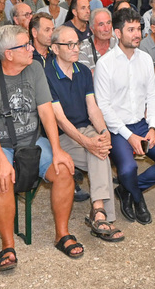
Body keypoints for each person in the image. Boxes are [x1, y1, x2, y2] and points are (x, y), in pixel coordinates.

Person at [0, 25, 80, 266]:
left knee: (63, 171)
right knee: (1, 180)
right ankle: (7, 246)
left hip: (31, 140)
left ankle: (62, 234)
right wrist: (0, 160)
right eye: (25, 45)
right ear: (8, 53)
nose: (32, 48)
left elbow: (46, 111)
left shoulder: (35, 69)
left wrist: (58, 149)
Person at [94, 8, 155, 225]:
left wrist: (152, 126)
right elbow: (103, 107)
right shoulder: (105, 64)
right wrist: (128, 135)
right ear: (117, 33)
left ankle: (126, 189)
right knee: (128, 167)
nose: (136, 34)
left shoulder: (144, 59)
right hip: (117, 129)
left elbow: (152, 96)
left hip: (142, 124)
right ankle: (138, 198)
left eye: (139, 28)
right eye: (130, 29)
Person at [45, 25, 124, 242]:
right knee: (99, 152)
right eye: (68, 44)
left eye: (77, 43)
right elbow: (60, 119)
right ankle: (101, 214)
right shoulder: (46, 74)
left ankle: (98, 212)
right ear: (54, 48)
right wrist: (87, 142)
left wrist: (103, 131)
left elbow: (93, 107)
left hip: (85, 128)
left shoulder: (83, 71)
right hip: (62, 135)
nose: (75, 48)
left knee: (99, 148)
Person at [78, 8, 117, 72]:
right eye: (101, 25)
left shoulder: (119, 44)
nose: (107, 29)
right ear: (92, 29)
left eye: (108, 23)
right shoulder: (83, 47)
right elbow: (87, 76)